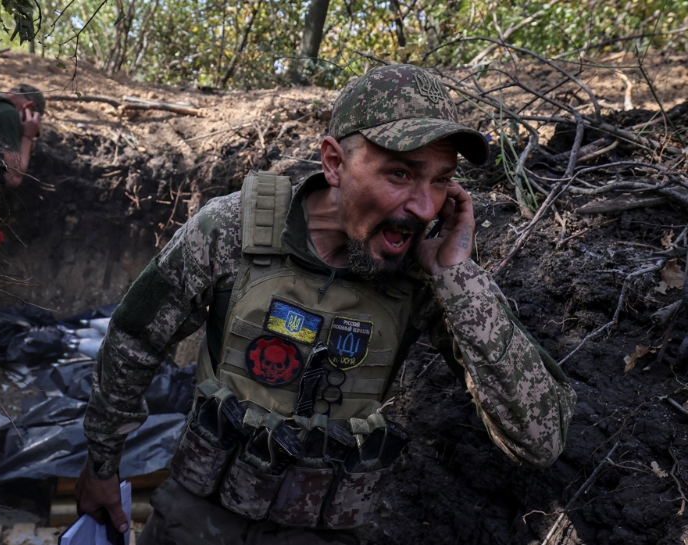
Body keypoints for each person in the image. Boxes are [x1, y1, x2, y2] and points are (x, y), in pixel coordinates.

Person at [75, 65, 577, 545]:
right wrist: (101, 463)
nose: (425, 207)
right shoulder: (229, 231)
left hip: (324, 531)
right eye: (400, 174)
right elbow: (134, 340)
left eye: (442, 179)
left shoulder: (430, 275)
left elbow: (539, 440)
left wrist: (458, 279)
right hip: (196, 518)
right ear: (335, 163)